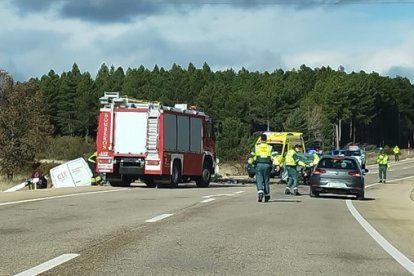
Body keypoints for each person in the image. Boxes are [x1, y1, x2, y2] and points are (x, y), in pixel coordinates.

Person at [251, 133, 274, 202]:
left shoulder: (256, 147)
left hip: (258, 164)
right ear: (266, 139)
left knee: (259, 179)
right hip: (267, 165)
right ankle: (267, 195)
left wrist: (250, 164)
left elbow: (251, 156)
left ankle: (260, 192)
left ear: (260, 139)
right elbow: (274, 157)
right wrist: (277, 165)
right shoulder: (270, 147)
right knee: (266, 180)